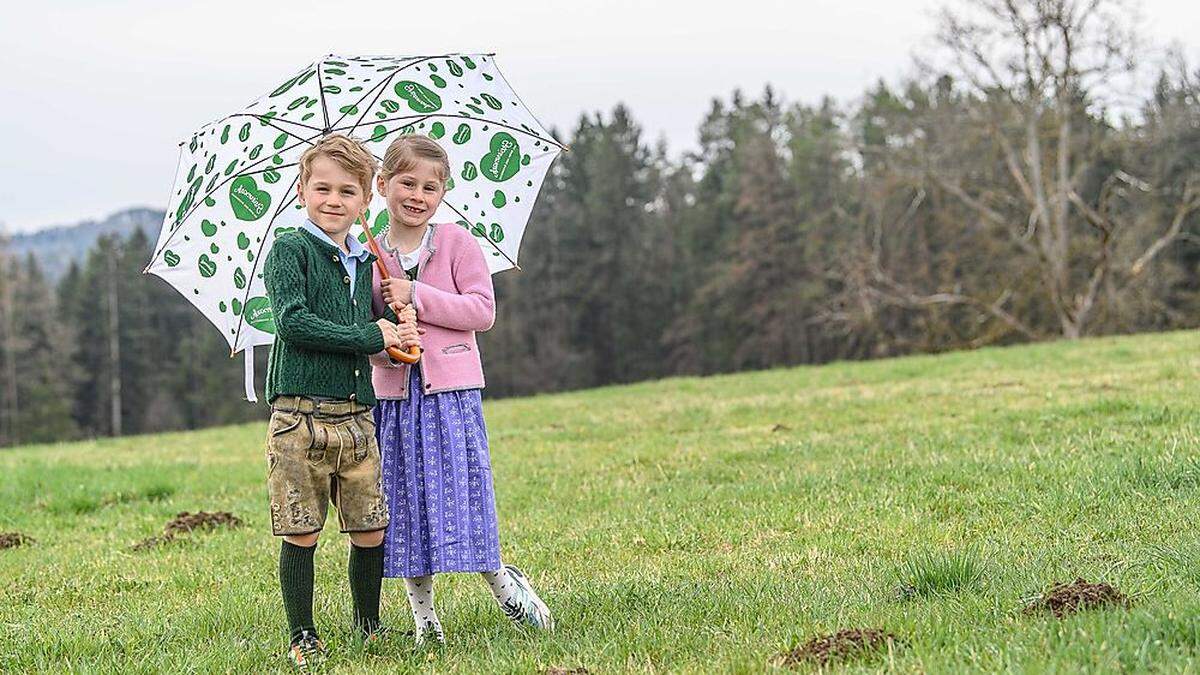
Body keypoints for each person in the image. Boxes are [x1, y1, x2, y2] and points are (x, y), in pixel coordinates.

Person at [369, 135, 552, 646]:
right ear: (382, 186)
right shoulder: (369, 255)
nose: (417, 195)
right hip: (395, 401)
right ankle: (426, 621)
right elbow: (367, 334)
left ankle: (503, 584)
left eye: (431, 187)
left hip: (451, 396)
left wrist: (417, 296)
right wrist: (391, 345)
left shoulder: (456, 244)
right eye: (407, 183)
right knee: (404, 506)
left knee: (463, 496)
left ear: (443, 194)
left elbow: (481, 311)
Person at [262, 134, 419, 669]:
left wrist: (394, 340)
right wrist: (372, 337)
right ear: (301, 190)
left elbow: (363, 333)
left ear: (365, 200)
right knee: (302, 528)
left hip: (356, 416)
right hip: (299, 417)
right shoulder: (290, 248)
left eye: (347, 191)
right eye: (321, 188)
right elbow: (293, 322)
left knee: (370, 525)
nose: (333, 200)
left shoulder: (365, 260)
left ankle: (369, 627)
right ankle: (302, 634)